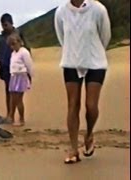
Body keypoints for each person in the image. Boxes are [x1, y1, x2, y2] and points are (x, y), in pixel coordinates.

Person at [54, 0, 111, 164]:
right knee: (73, 104)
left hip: (95, 62)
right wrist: (73, 52)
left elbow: (105, 37)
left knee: (91, 106)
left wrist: (92, 52)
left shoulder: (98, 9)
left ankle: (89, 133)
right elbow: (62, 38)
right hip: (71, 61)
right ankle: (73, 148)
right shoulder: (61, 12)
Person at [0, 13, 31, 121]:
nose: (4, 27)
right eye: (2, 25)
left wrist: (28, 73)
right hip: (7, 68)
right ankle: (10, 115)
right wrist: (1, 66)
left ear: (11, 23)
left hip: (19, 71)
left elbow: (27, 52)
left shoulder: (17, 35)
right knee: (8, 93)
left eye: (6, 24)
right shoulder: (2, 38)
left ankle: (19, 117)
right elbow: (1, 53)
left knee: (17, 96)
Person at [6, 33, 33, 126]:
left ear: (19, 42)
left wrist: (30, 76)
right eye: (11, 45)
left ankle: (21, 118)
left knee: (18, 99)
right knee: (12, 98)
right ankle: (11, 117)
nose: (12, 46)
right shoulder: (13, 53)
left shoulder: (24, 52)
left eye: (14, 43)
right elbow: (12, 65)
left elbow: (29, 65)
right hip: (13, 76)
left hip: (21, 76)